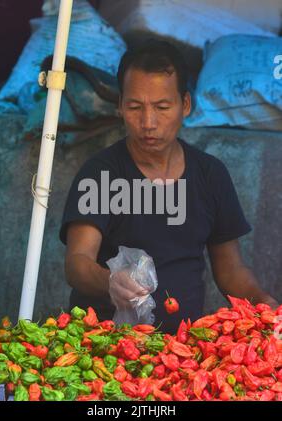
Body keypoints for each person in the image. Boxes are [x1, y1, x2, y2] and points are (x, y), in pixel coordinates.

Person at [60, 40, 278, 333]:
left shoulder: (210, 174)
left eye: (162, 107)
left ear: (185, 105)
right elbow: (78, 262)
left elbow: (230, 270)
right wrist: (109, 281)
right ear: (121, 107)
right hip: (106, 347)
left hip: (183, 353)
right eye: (135, 107)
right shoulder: (100, 174)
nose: (148, 122)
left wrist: (265, 305)